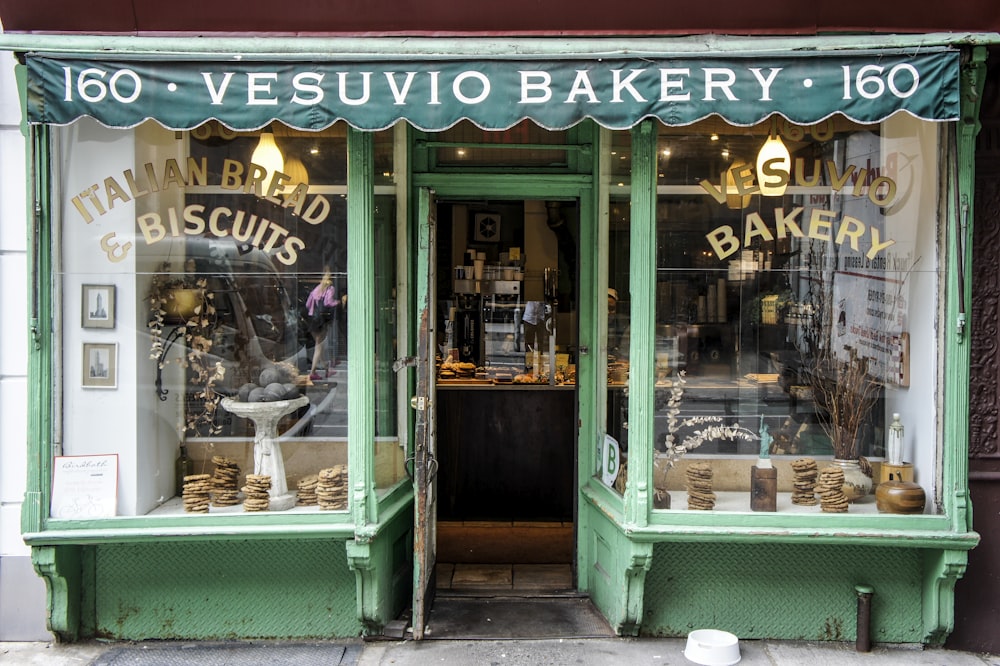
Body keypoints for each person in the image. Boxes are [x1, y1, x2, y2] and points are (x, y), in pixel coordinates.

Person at [305, 268, 338, 380]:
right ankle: (312, 372)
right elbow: (328, 302)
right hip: (321, 321)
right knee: (319, 348)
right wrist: (337, 302)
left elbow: (308, 304)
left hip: (313, 320)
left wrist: (313, 312)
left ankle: (327, 369)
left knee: (320, 346)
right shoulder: (330, 288)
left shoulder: (317, 288)